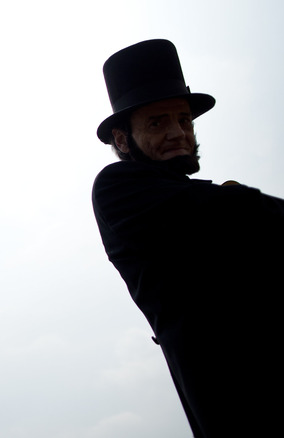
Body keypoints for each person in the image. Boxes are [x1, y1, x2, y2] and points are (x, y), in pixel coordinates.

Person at [91, 39, 284, 437]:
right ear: (123, 140)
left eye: (184, 120)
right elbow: (237, 212)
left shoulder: (198, 197)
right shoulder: (119, 188)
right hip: (242, 404)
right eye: (157, 122)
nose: (179, 132)